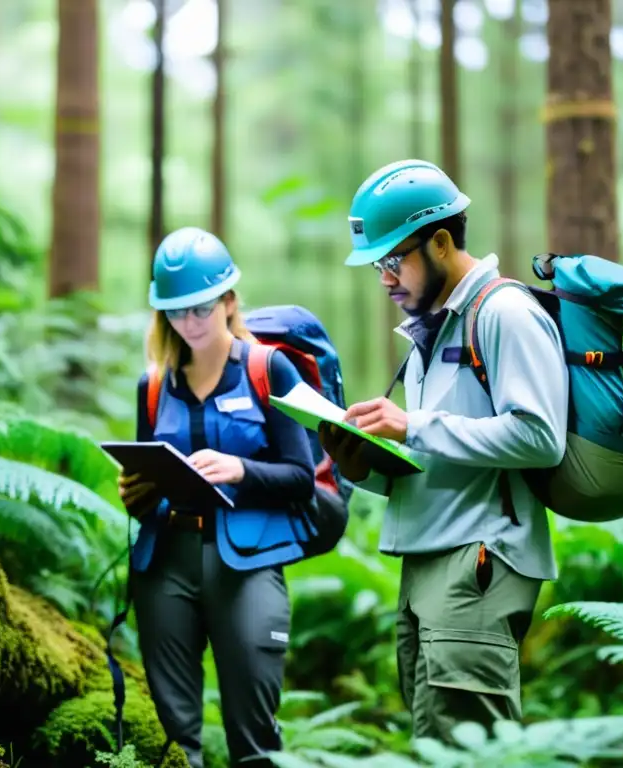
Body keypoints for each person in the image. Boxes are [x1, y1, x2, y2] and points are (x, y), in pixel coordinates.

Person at [319, 159, 569, 742]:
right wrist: (365, 467)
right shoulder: (430, 329)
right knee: (435, 739)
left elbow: (540, 436)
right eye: (376, 265)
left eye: (391, 260)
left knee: (470, 744)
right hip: (427, 560)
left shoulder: (505, 313)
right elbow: (441, 454)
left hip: (478, 561)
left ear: (439, 242)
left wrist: (414, 426)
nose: (384, 279)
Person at [118, 226, 316, 768]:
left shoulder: (267, 369)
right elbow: (148, 488)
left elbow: (301, 476)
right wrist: (135, 493)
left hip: (248, 563)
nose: (190, 323)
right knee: (177, 737)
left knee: (253, 736)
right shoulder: (154, 385)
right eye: (176, 312)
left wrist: (239, 470)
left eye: (202, 309)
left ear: (229, 301)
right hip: (166, 566)